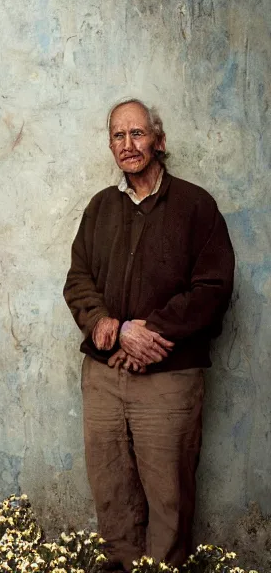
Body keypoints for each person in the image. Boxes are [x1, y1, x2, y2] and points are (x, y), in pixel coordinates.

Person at [63, 98, 235, 571]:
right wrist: (111, 328)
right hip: (104, 376)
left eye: (137, 134)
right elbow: (78, 279)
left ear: (159, 141)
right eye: (118, 136)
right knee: (112, 494)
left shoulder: (196, 206)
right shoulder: (100, 207)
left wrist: (149, 335)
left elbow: (214, 289)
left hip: (169, 378)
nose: (128, 145)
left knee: (168, 501)